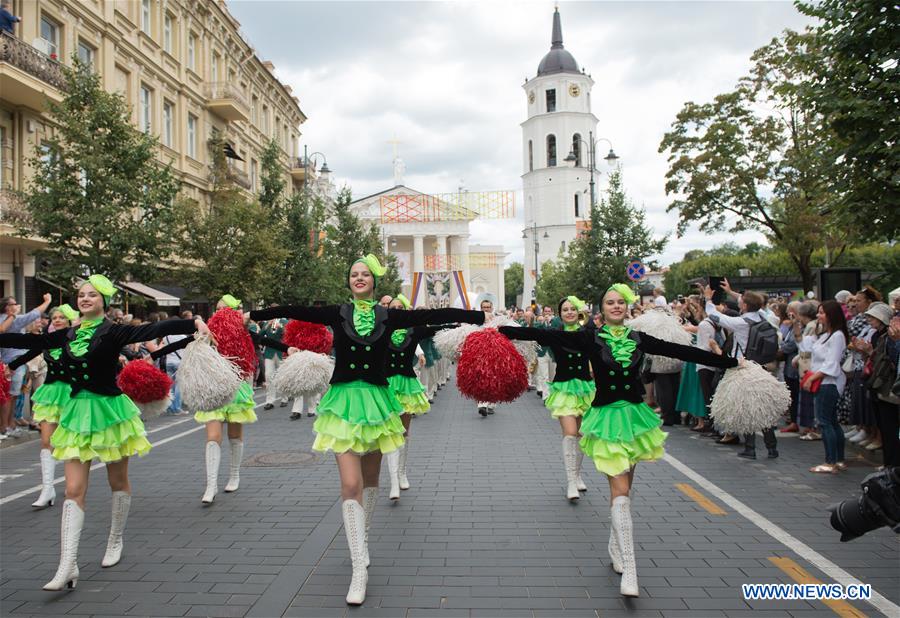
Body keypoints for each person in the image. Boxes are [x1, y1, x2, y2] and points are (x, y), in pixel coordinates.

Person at [247, 255, 484, 605]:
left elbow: (431, 316)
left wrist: (476, 317)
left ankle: (364, 539)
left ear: (374, 282)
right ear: (349, 281)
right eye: (353, 274)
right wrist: (254, 315)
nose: (359, 278)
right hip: (342, 404)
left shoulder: (388, 315)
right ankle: (359, 569)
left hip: (376, 402)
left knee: (371, 482)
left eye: (364, 274)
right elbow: (297, 309)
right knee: (350, 484)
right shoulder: (337, 312)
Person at [500, 284, 736, 597]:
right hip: (607, 419)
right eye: (609, 302)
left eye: (619, 302)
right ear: (601, 308)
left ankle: (616, 545)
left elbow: (680, 351)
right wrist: (498, 330)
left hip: (636, 420)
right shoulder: (589, 337)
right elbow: (544, 336)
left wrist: (730, 364)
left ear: (626, 307)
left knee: (626, 492)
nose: (615, 306)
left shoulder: (639, 338)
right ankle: (631, 570)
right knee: (620, 490)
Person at [0, 276, 209, 590]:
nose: (84, 299)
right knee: (72, 489)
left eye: (91, 295)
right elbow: (31, 344)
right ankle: (67, 564)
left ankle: (115, 538)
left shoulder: (114, 330)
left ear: (103, 300)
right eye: (81, 295)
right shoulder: (67, 333)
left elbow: (153, 330)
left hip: (110, 413)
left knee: (117, 480)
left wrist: (194, 323)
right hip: (76, 414)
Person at [499, 296, 594, 500]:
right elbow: (529, 332)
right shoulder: (554, 334)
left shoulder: (588, 333)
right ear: (560, 314)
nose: (569, 312)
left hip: (586, 390)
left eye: (572, 309)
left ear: (579, 312)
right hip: (563, 389)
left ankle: (577, 475)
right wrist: (501, 330)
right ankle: (571, 483)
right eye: (565, 309)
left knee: (582, 434)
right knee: (570, 433)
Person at [5, 304, 79, 507]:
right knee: (46, 441)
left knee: (68, 441)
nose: (56, 320)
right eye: (54, 317)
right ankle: (47, 489)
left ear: (69, 320)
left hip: (72, 394)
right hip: (50, 393)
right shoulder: (48, 340)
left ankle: (72, 484)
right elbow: (29, 353)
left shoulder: (76, 340)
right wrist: (11, 366)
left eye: (61, 318)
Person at [383, 294, 451, 500]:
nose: (395, 310)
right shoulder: (380, 330)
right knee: (389, 433)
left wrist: (467, 323)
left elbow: (439, 327)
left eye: (399, 308)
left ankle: (402, 473)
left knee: (403, 432)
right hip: (386, 386)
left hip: (407, 386)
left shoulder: (414, 331)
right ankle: (393, 481)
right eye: (391, 307)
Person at [703, 281, 779, 459]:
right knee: (763, 409)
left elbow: (714, 316)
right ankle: (772, 447)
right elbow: (753, 302)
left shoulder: (740, 322)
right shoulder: (762, 316)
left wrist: (708, 299)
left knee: (746, 407)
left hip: (744, 368)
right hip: (760, 367)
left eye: (741, 301)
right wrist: (731, 292)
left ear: (744, 305)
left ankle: (750, 448)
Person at [800, 300, 848, 474]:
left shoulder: (837, 336)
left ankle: (830, 461)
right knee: (832, 421)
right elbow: (807, 347)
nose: (819, 316)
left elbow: (831, 364)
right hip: (825, 381)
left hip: (828, 383)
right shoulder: (826, 334)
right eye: (818, 312)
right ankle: (839, 459)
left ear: (831, 315)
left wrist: (812, 378)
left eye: (822, 313)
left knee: (825, 422)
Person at [1, 293, 52, 439]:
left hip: (14, 363)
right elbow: (33, 314)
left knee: (13, 396)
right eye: (14, 304)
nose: (17, 306)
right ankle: (7, 426)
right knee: (10, 396)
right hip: (11, 362)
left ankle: (11, 425)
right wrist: (47, 301)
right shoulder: (12, 319)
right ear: (7, 307)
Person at [853, 302, 898, 464]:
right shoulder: (878, 335)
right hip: (877, 383)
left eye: (873, 317)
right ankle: (889, 463)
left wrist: (870, 352)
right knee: (885, 426)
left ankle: (892, 464)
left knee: (890, 428)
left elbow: (890, 360)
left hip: (887, 385)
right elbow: (877, 358)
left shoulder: (889, 337)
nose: (870, 320)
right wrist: (867, 351)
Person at [475, 294, 499, 417]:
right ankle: (482, 404)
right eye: (484, 307)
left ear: (491, 308)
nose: (486, 309)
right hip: (480, 354)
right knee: (481, 378)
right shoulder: (475, 321)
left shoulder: (497, 321)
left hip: (494, 354)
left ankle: (491, 403)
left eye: (488, 307)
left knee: (493, 378)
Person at [260, 311, 288, 410]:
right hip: (269, 352)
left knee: (282, 376)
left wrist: (280, 326)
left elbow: (287, 334)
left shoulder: (284, 321)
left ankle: (285, 398)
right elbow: (260, 334)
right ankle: (270, 400)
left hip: (281, 352)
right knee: (268, 375)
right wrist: (267, 325)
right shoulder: (267, 322)